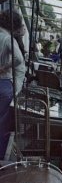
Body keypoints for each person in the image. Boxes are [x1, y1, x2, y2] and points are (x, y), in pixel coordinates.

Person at [0, 10, 26, 159]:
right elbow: (19, 59)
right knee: (2, 122)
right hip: (3, 83)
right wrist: (4, 67)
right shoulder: (7, 38)